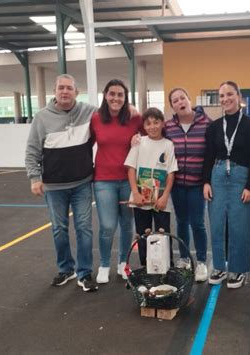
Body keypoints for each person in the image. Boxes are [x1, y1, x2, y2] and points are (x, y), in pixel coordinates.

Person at [25, 74, 98, 292]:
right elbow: (32, 151)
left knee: (84, 229)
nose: (65, 92)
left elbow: (112, 115)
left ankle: (85, 274)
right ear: (54, 92)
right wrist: (34, 178)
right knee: (59, 229)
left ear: (76, 92)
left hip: (82, 184)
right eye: (60, 88)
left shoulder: (89, 112)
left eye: (69, 88)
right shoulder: (42, 118)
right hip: (54, 188)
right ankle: (66, 269)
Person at [203, 81, 250, 289]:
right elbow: (208, 156)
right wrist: (206, 182)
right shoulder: (214, 126)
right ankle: (219, 266)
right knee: (217, 223)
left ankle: (238, 268)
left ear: (239, 96)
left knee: (240, 225)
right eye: (221, 96)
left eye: (229, 94)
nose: (225, 99)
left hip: (240, 176)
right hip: (217, 175)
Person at [90, 79, 143, 284]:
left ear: (125, 98)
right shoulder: (95, 119)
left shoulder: (133, 118)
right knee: (108, 225)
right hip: (103, 181)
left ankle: (123, 262)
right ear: (105, 95)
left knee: (127, 224)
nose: (115, 98)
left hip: (128, 179)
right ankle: (104, 264)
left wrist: (138, 139)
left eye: (120, 95)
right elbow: (86, 144)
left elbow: (151, 133)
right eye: (112, 93)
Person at [165, 88, 212, 282]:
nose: (180, 102)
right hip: (176, 184)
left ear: (189, 99)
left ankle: (201, 261)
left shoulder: (206, 123)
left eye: (182, 98)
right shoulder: (168, 127)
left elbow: (212, 152)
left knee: (198, 223)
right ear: (172, 106)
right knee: (181, 222)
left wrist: (208, 181)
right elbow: (151, 136)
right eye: (175, 100)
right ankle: (184, 258)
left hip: (197, 184)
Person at [125, 107, 178, 266]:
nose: (152, 126)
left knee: (163, 235)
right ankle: (145, 268)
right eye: (148, 123)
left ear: (162, 123)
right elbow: (131, 169)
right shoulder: (139, 142)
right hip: (140, 200)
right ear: (144, 126)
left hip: (161, 201)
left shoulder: (168, 145)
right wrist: (136, 193)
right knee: (143, 235)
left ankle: (166, 269)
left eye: (156, 122)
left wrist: (165, 196)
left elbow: (170, 173)